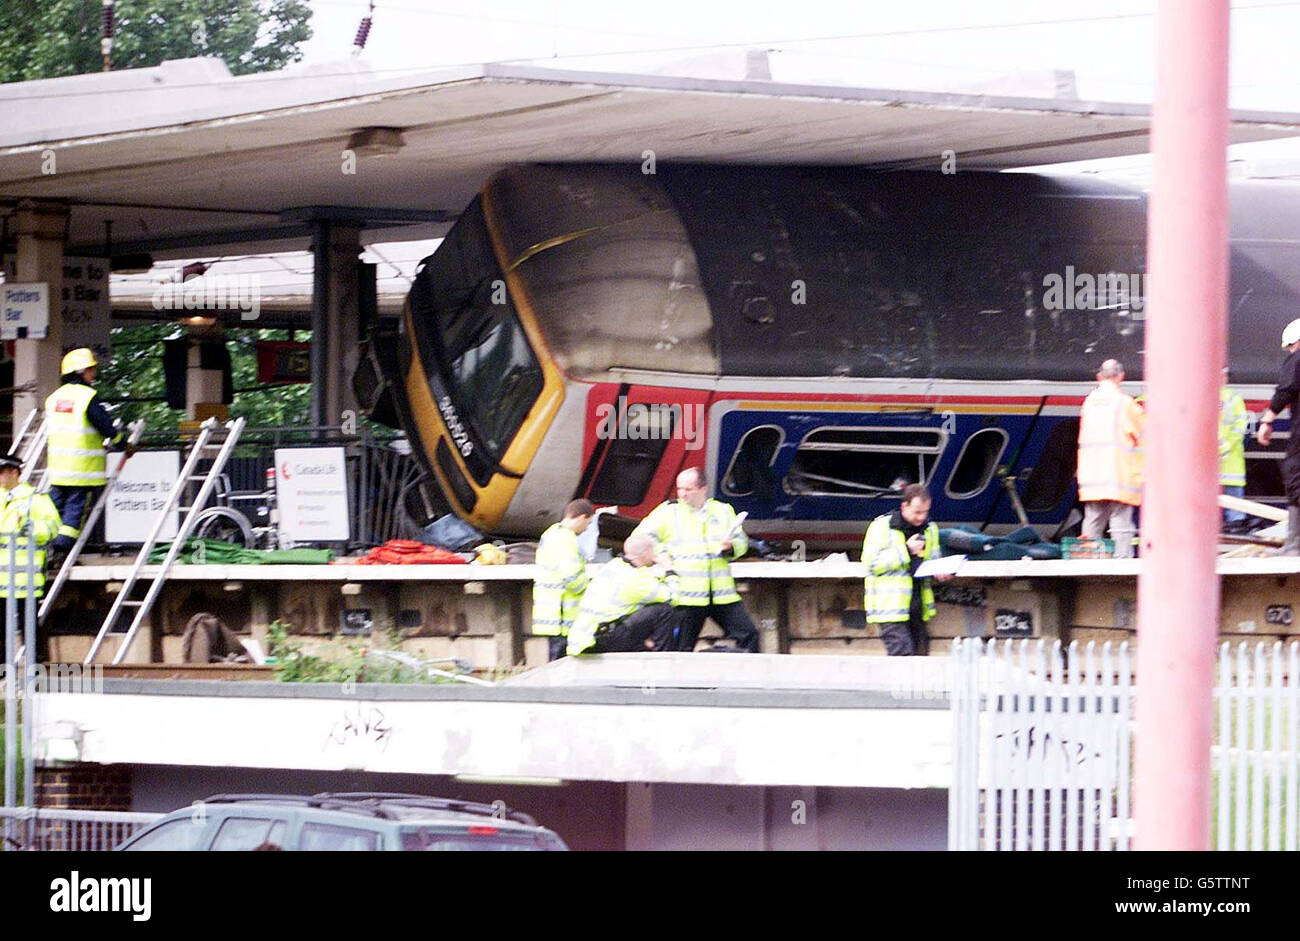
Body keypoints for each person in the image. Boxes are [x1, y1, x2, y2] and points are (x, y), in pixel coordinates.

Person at [631, 467, 759, 652]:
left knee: (749, 634)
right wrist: (662, 555)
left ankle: (748, 679)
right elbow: (640, 539)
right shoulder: (668, 512)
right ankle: (677, 681)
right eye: (680, 489)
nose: (682, 494)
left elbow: (741, 541)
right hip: (686, 596)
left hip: (721, 594)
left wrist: (731, 548)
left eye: (688, 489)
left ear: (703, 489)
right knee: (680, 648)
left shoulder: (722, 511)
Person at [44, 348, 129, 558]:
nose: (94, 374)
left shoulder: (54, 398)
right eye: (91, 370)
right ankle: (61, 548)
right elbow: (105, 426)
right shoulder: (87, 396)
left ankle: (46, 544)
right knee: (74, 512)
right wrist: (121, 442)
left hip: (58, 469)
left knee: (54, 510)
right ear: (81, 371)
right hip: (81, 470)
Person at [863, 483, 949, 657]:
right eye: (917, 512)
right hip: (890, 609)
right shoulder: (882, 527)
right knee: (903, 659)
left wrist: (941, 571)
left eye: (925, 511)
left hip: (917, 608)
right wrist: (906, 550)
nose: (921, 517)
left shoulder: (930, 528)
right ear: (904, 506)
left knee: (920, 662)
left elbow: (934, 558)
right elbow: (871, 564)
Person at [566, 534, 684, 655]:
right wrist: (669, 570)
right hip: (606, 636)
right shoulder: (636, 580)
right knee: (663, 610)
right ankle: (661, 659)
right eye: (652, 551)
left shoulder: (614, 565)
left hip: (588, 635)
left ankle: (646, 647)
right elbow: (673, 597)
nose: (655, 555)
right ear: (645, 553)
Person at [1076, 358, 1144, 558]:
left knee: (1093, 520)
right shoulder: (1124, 403)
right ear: (1121, 376)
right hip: (1118, 474)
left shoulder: (1088, 403)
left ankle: (1088, 561)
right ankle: (1121, 562)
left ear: (1099, 376)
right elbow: (1144, 433)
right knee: (1120, 522)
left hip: (1092, 475)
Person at [0, 455, 62, 665]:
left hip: (26, 578)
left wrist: (31, 528)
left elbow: (54, 527)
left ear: (14, 472)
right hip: (1, 580)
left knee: (30, 629)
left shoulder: (35, 498)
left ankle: (34, 673)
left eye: (2, 472)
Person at [1256, 319, 1300, 554]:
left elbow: (1287, 388)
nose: (1291, 352)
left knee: (1296, 478)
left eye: (1291, 347)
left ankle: (1294, 546)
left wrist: (1267, 419)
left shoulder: (1298, 358)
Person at [532, 499, 594, 661]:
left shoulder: (551, 533)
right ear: (581, 517)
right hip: (561, 615)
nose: (587, 528)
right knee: (561, 664)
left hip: (551, 614)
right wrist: (588, 586)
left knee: (555, 662)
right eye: (588, 522)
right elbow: (572, 578)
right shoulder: (566, 539)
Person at [1219, 368, 1249, 533]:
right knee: (1233, 505)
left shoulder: (1232, 398)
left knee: (1231, 504)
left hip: (1226, 462)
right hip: (1230, 462)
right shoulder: (1234, 399)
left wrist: (1222, 447)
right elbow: (1240, 428)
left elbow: (1239, 428)